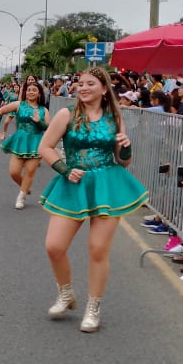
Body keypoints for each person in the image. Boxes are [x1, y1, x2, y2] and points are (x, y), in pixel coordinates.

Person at [37, 67, 148, 332]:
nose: (83, 88)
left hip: (106, 184)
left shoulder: (114, 116)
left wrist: (127, 146)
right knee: (54, 246)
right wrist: (64, 168)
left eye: (90, 83)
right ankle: (65, 293)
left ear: (103, 88)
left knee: (98, 249)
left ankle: (93, 306)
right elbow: (45, 147)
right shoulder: (67, 114)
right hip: (72, 183)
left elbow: (124, 161)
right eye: (80, 83)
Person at [0, 82, 48, 209]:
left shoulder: (43, 110)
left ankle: (22, 196)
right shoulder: (19, 105)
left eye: (34, 90)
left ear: (39, 93)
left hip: (36, 142)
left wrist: (39, 122)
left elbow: (48, 127)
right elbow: (1, 111)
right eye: (29, 90)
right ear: (25, 92)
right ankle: (25, 187)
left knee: (30, 171)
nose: (31, 92)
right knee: (14, 172)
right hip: (20, 141)